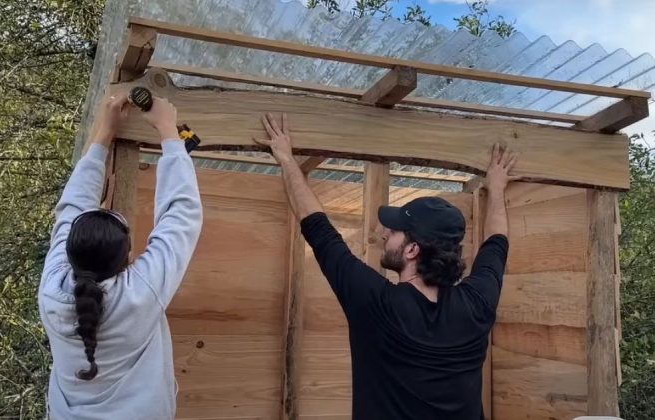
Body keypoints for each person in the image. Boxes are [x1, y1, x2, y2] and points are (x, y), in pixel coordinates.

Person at [253, 113, 519, 419]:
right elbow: (497, 242)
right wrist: (496, 189)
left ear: (412, 250)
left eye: (392, 232)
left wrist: (286, 158)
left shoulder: (379, 305)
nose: (382, 233)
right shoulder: (478, 303)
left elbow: (318, 229)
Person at [38, 92, 203, 420]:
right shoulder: (139, 293)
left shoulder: (52, 289)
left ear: (70, 248)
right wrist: (168, 130)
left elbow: (72, 208)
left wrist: (103, 133)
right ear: (128, 259)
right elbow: (181, 213)